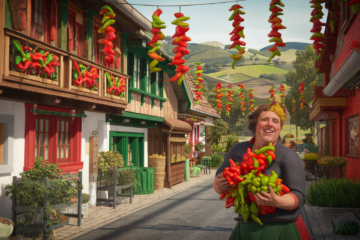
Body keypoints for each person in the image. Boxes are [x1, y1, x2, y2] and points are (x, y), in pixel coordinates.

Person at [213, 103, 310, 240]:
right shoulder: (238, 150)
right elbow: (218, 182)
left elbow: (299, 197)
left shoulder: (289, 156)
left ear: (279, 128)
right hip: (246, 228)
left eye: (275, 121)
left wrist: (276, 201)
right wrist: (219, 185)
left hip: (282, 229)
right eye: (264, 119)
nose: (270, 124)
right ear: (255, 124)